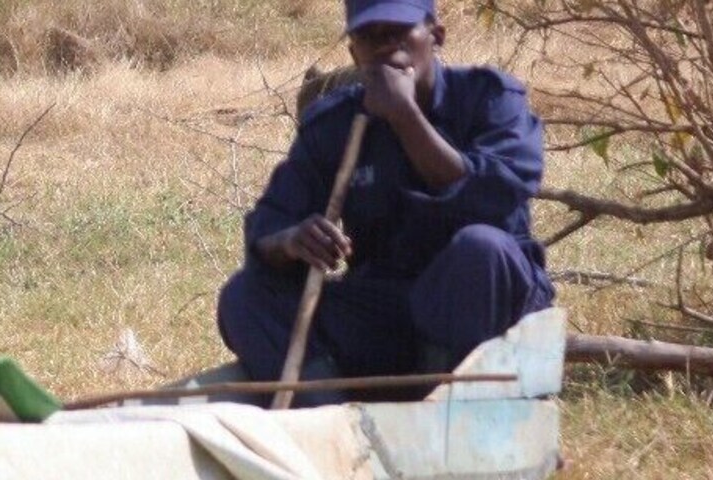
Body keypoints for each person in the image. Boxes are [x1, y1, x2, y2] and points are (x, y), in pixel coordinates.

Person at [214, 0, 555, 408]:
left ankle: (436, 406)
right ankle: (327, 420)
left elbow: (494, 195)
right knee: (245, 296)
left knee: (479, 248)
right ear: (353, 53)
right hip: (387, 311)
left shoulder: (491, 100)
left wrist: (404, 116)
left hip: (485, 311)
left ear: (436, 36)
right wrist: (292, 240)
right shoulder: (336, 123)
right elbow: (268, 225)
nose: (385, 48)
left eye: (398, 32)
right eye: (369, 37)